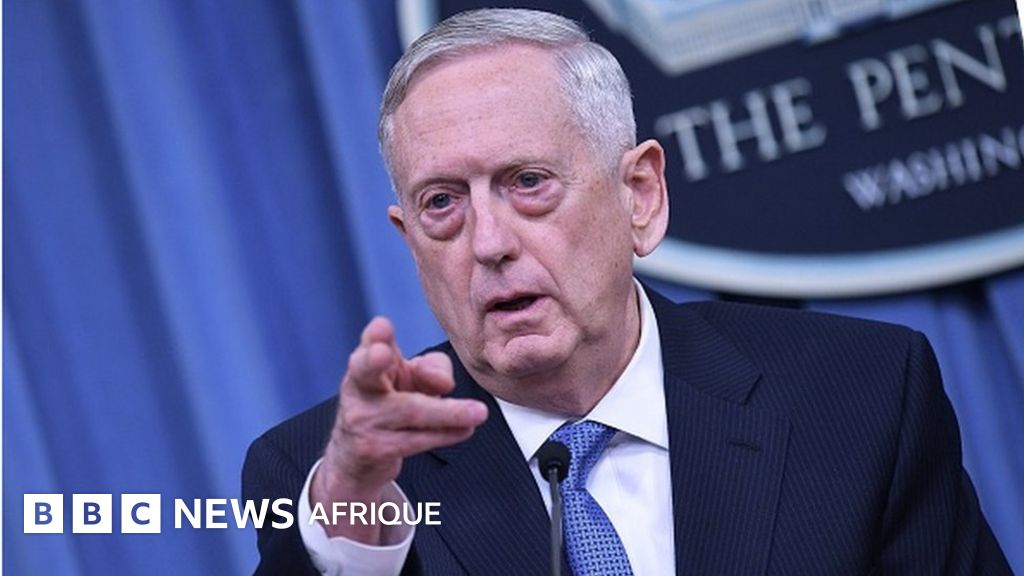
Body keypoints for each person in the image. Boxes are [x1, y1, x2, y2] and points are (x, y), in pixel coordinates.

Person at [242, 8, 1010, 575]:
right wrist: (353, 508)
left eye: (528, 182)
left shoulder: (856, 395)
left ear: (639, 195)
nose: (488, 242)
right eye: (442, 202)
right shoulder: (334, 478)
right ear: (410, 240)